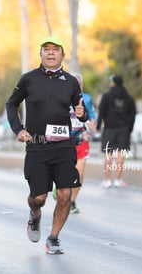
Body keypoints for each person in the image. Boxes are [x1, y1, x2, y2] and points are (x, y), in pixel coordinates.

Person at [6, 36, 87, 255]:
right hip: (37, 147)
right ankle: (34, 214)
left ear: (62, 55)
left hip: (63, 147)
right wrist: (18, 129)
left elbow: (81, 111)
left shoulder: (71, 81)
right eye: (46, 49)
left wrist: (83, 113)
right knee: (39, 197)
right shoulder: (28, 79)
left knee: (64, 195)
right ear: (41, 54)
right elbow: (11, 104)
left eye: (55, 49)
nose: (51, 53)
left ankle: (53, 238)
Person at [52, 72, 97, 214]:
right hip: (63, 141)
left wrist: (90, 128)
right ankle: (58, 187)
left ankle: (72, 201)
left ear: (82, 86)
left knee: (80, 172)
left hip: (80, 140)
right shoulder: (61, 98)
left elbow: (91, 118)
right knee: (63, 171)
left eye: (78, 84)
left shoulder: (87, 99)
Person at [96, 75, 136, 188]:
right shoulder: (129, 97)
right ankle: (118, 180)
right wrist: (129, 129)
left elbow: (102, 113)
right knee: (120, 155)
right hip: (124, 130)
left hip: (109, 129)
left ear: (113, 83)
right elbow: (133, 115)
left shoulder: (106, 96)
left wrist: (98, 126)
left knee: (108, 156)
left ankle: (107, 180)